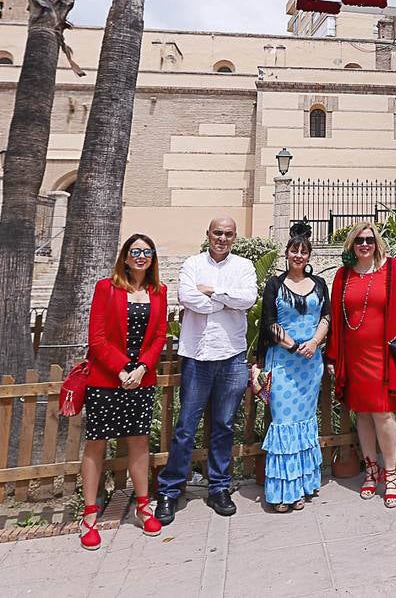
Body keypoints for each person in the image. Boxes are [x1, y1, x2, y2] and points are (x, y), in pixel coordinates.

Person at [155, 216, 257, 524]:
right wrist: (226, 300)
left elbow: (248, 298)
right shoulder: (192, 264)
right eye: (217, 233)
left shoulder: (244, 267)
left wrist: (213, 293)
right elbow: (186, 297)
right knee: (186, 427)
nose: (222, 238)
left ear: (234, 237)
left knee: (224, 426)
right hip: (197, 357)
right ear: (208, 234)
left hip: (231, 356)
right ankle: (170, 491)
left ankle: (219, 488)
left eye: (228, 234)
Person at [325, 223, 396, 508]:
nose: (365, 244)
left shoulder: (392, 270)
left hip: (382, 356)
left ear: (376, 242)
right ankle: (371, 470)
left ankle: (390, 474)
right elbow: (337, 318)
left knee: (383, 414)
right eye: (359, 240)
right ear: (351, 244)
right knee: (364, 415)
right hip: (354, 356)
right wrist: (333, 356)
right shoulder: (343, 276)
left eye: (369, 240)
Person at [79, 234, 168, 550]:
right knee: (96, 444)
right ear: (126, 258)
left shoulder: (159, 292)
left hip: (141, 379)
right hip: (107, 378)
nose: (141, 256)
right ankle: (90, 513)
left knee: (139, 442)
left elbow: (159, 336)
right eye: (135, 252)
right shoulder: (107, 288)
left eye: (147, 251)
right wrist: (121, 369)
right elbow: (97, 337)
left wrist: (142, 367)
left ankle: (144, 506)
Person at [254, 228, 330, 512]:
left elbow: (326, 316)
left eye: (303, 251)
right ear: (286, 254)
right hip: (283, 362)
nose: (298, 255)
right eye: (293, 250)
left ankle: (303, 485)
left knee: (304, 422)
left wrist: (312, 343)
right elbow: (269, 322)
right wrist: (293, 345)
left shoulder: (320, 283)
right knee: (284, 423)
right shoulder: (275, 284)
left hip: (310, 364)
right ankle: (283, 491)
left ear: (309, 256)